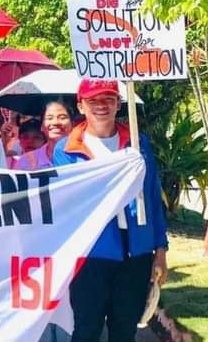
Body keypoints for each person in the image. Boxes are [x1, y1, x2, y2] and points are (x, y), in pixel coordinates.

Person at [51, 79, 168, 342]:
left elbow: (152, 197)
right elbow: (67, 204)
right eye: (93, 100)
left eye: (108, 99)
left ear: (118, 104)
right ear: (81, 106)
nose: (101, 105)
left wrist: (160, 250)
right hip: (90, 255)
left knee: (124, 330)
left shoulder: (138, 144)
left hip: (136, 253)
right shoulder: (66, 150)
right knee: (86, 329)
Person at [11, 99, 74, 171]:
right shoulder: (25, 162)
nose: (55, 122)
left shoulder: (83, 155)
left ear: (73, 124)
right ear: (42, 126)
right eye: (49, 118)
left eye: (62, 118)